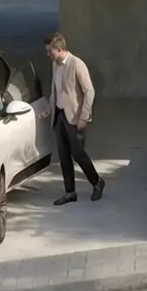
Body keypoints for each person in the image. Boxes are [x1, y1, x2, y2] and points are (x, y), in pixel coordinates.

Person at [41, 31, 105, 205]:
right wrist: (50, 108)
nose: (48, 55)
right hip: (59, 115)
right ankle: (70, 192)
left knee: (78, 154)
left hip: (75, 117)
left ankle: (97, 182)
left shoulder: (77, 65)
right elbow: (56, 90)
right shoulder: (55, 65)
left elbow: (89, 92)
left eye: (50, 52)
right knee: (63, 156)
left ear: (60, 49)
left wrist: (84, 116)